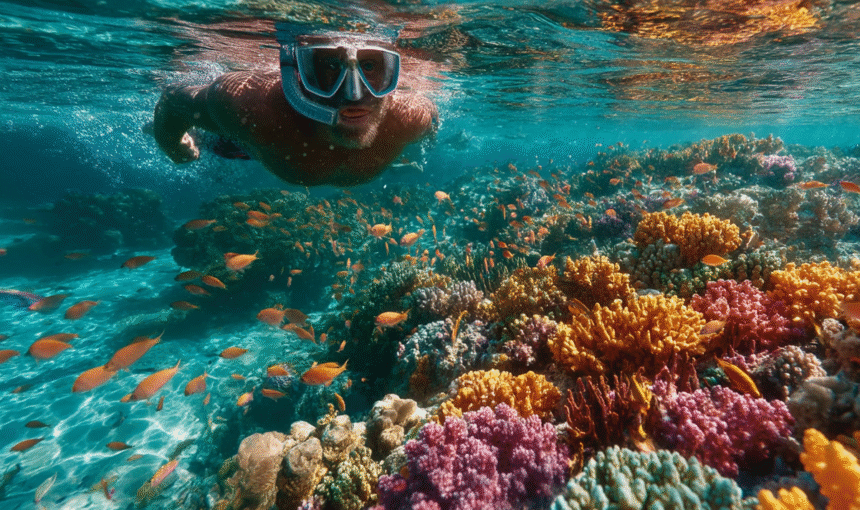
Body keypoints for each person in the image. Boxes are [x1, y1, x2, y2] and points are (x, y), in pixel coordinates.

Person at [152, 31, 437, 187]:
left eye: (371, 66)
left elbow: (431, 131)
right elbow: (172, 99)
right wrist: (174, 144)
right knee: (210, 140)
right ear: (298, 73)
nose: (353, 94)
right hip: (239, 144)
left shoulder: (412, 119)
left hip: (267, 147)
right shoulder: (250, 105)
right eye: (330, 66)